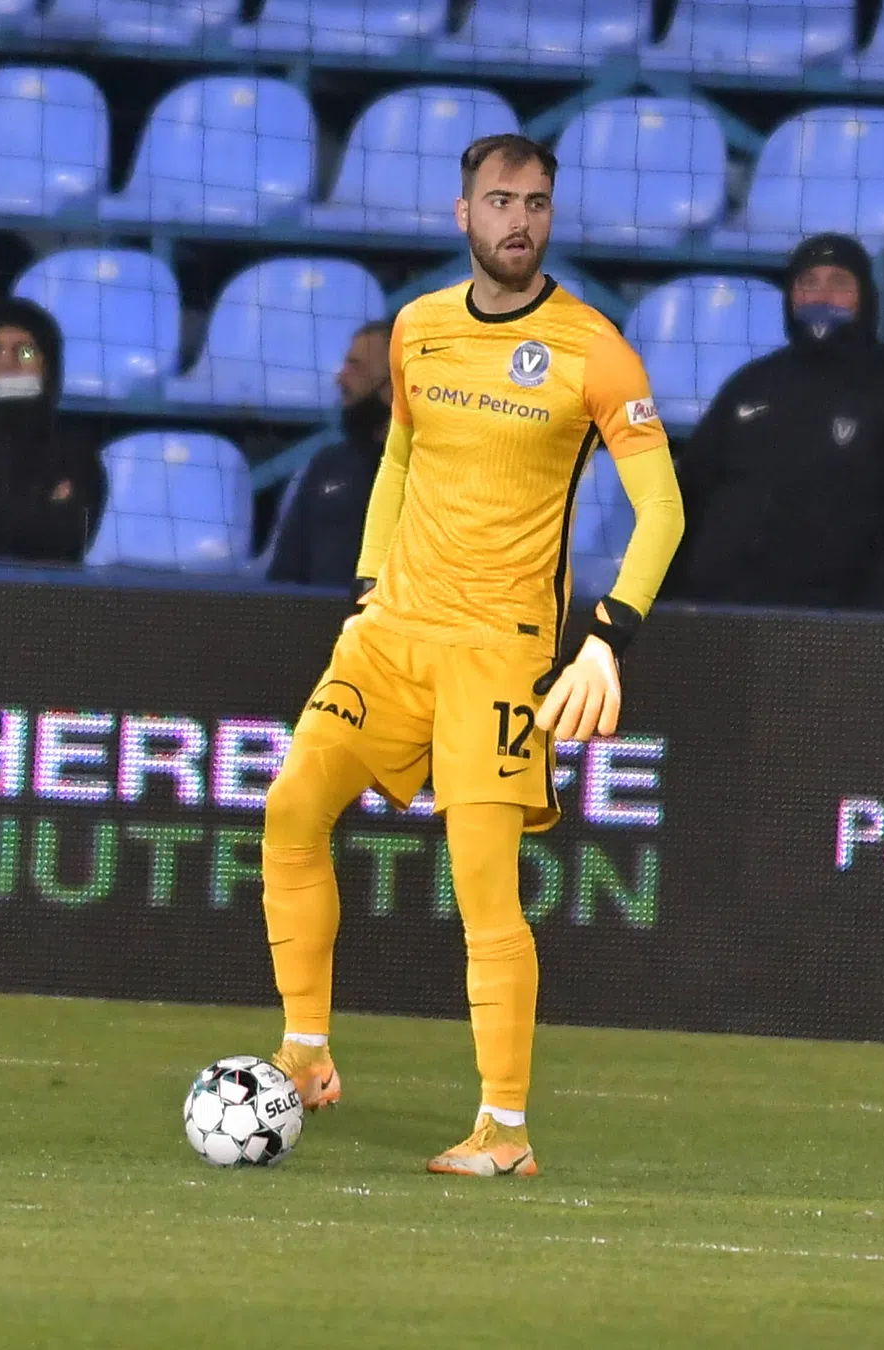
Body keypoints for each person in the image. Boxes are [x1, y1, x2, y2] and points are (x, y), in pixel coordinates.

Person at [261, 134, 685, 1177]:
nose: (519, 221)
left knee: (483, 888)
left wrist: (606, 641)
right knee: (290, 811)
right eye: (499, 201)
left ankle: (505, 1129)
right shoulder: (418, 330)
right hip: (392, 634)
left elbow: (663, 509)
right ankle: (305, 1051)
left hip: (500, 653)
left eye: (536, 202)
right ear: (463, 216)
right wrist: (368, 586)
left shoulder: (594, 349)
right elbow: (399, 455)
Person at [669, 233, 884, 611]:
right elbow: (689, 494)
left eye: (839, 284)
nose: (821, 297)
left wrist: (877, 621)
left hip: (832, 629)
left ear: (864, 296)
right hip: (719, 617)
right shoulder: (750, 385)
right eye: (808, 283)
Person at [0, 298, 105, 563]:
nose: (5, 364)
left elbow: (68, 537)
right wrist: (39, 510)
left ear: (49, 367)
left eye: (25, 352)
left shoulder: (75, 449)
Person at [266, 320, 395, 587]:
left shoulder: (433, 468)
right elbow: (285, 573)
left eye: (355, 367)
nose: (340, 378)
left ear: (393, 384)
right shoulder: (328, 465)